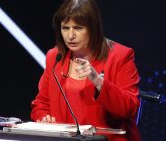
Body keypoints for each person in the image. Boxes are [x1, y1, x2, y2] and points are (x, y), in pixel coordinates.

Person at [30, 0, 141, 141]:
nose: (70, 36)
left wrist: (98, 81)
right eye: (65, 28)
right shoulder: (55, 57)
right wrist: (44, 118)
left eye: (78, 28)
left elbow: (130, 108)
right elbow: (41, 103)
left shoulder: (120, 56)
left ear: (93, 28)